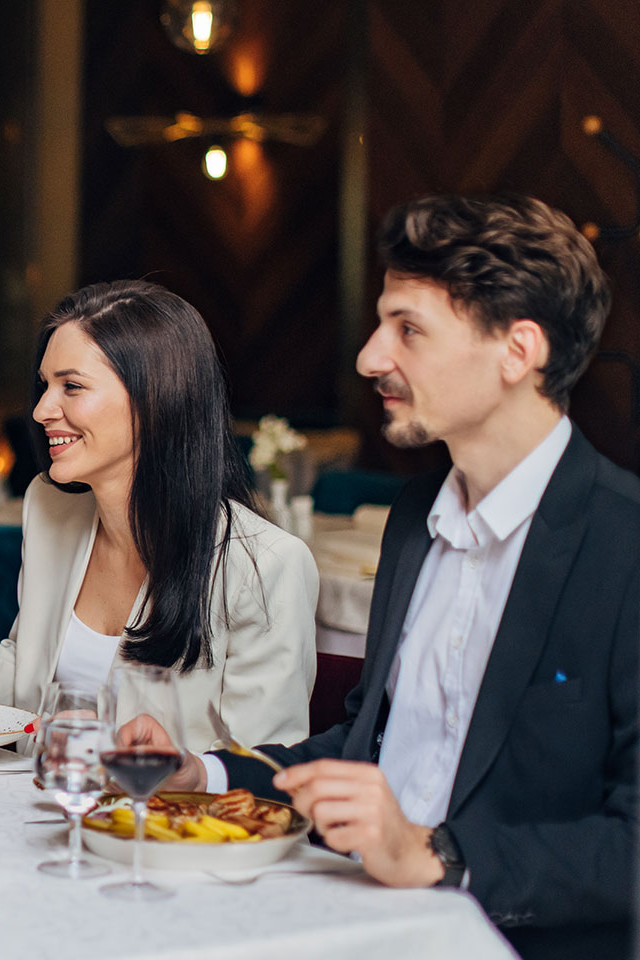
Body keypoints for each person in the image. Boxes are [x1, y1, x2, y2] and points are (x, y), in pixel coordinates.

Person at [132, 194, 635, 959]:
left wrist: (438, 857)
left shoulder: (623, 545)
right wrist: (202, 774)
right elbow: (374, 747)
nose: (370, 357)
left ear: (517, 350)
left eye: (408, 329)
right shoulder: (415, 517)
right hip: (359, 916)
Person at [0, 280, 319, 751]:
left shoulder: (265, 566)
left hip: (153, 803)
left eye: (71, 386)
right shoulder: (52, 509)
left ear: (156, 400)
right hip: (46, 792)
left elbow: (263, 771)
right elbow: (30, 697)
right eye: (45, 386)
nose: (41, 410)